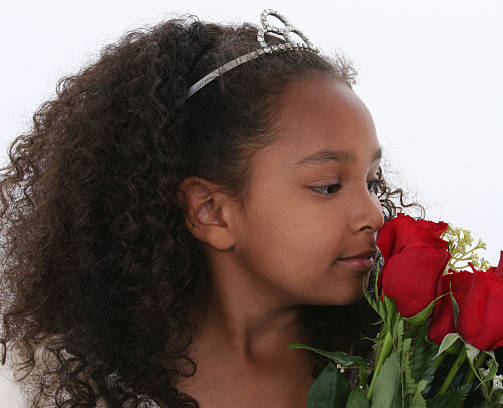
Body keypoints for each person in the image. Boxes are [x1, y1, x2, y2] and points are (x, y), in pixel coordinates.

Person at [0, 9, 418, 408]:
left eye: (372, 181)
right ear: (210, 211)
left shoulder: (409, 366)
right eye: (328, 186)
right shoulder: (59, 386)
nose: (375, 214)